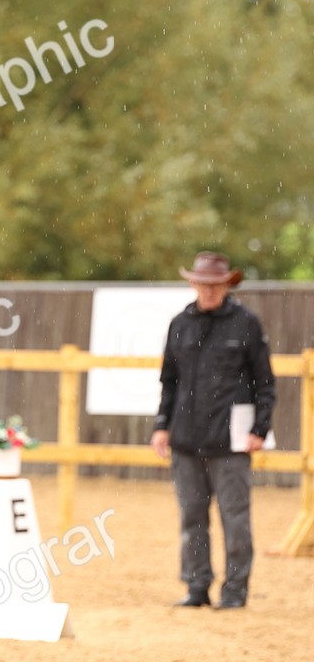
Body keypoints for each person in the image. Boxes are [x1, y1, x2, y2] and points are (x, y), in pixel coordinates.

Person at [151, 251, 275, 609]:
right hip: (186, 440)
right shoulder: (179, 324)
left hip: (231, 442)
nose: (208, 290)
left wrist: (260, 428)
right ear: (193, 283)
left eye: (215, 284)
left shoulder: (246, 323)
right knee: (192, 517)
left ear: (227, 285)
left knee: (235, 519)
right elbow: (169, 382)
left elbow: (265, 382)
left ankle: (235, 591)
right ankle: (196, 586)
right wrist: (162, 426)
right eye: (203, 283)